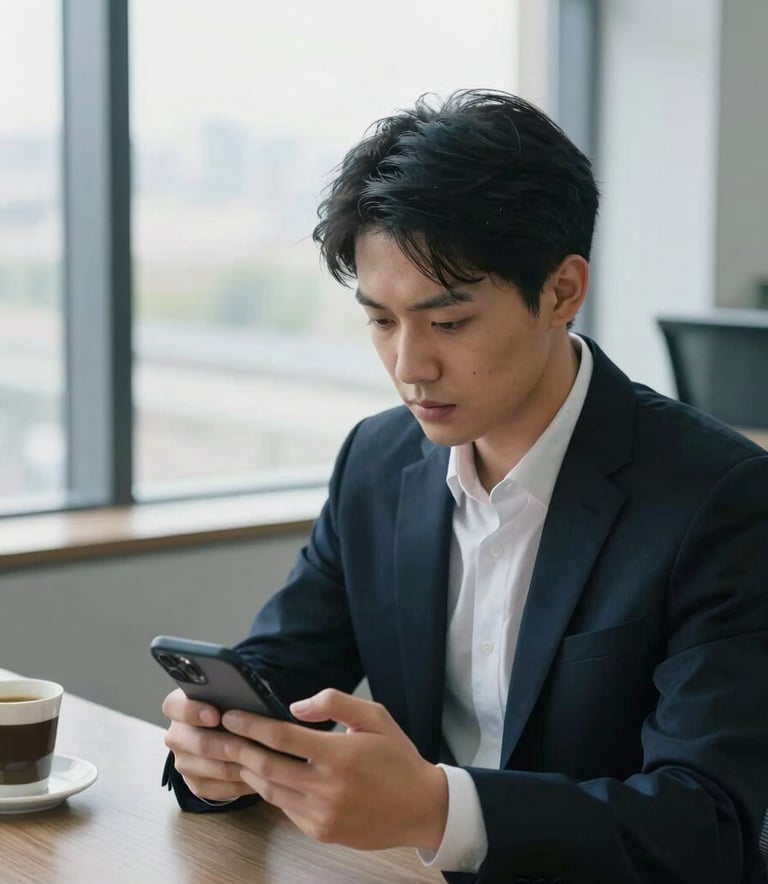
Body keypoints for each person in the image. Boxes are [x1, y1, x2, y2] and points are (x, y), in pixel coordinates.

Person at [161, 90, 768, 884]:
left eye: (447, 323)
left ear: (561, 292)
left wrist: (435, 810)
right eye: (381, 321)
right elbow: (281, 669)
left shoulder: (720, 499)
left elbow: (708, 828)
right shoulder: (377, 463)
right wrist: (214, 753)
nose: (410, 367)